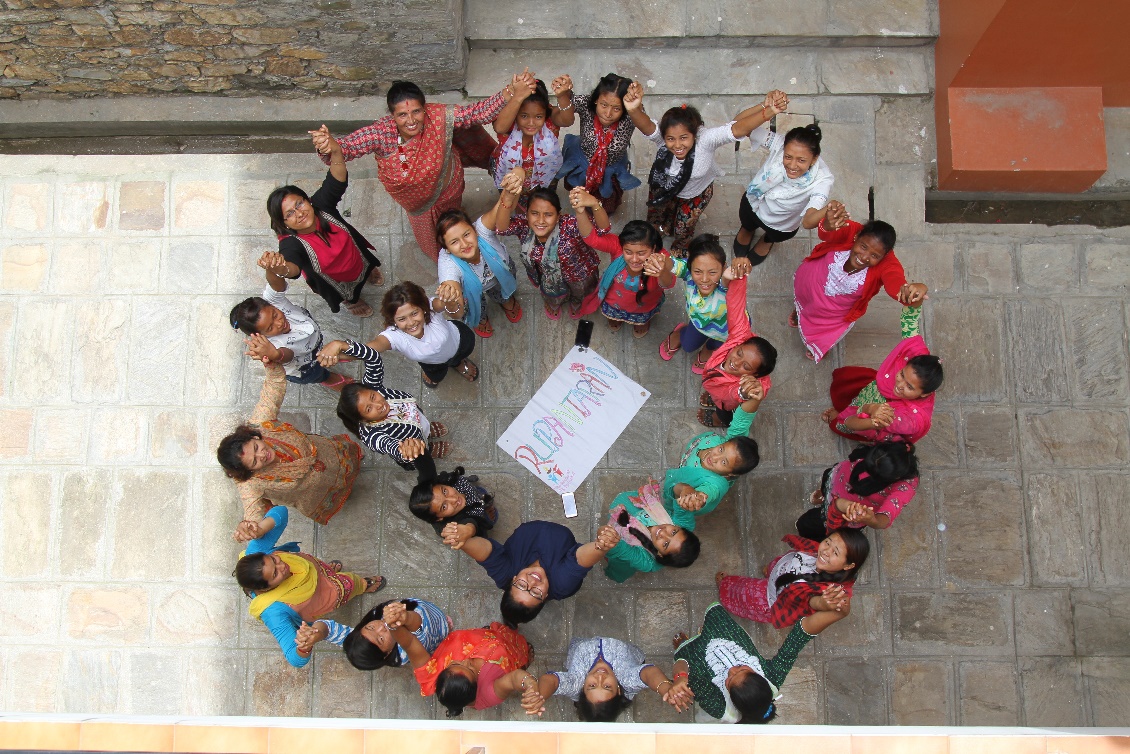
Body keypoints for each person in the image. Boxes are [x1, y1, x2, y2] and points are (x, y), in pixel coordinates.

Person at [321, 76, 534, 262]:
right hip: (418, 205)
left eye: (416, 112)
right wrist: (327, 145)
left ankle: (461, 237)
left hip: (449, 187)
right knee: (431, 237)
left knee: (454, 214)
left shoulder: (439, 116)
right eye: (402, 115)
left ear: (425, 109)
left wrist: (510, 92)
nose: (411, 120)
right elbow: (346, 148)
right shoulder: (381, 133)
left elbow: (477, 113)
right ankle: (445, 257)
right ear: (392, 116)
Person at [623, 84, 789, 257]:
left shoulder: (707, 139)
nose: (677, 145)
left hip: (695, 194)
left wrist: (770, 111)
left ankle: (680, 246)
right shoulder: (662, 139)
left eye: (684, 138)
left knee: (684, 225)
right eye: (671, 139)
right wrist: (633, 109)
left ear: (695, 135)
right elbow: (646, 125)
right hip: (664, 189)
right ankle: (659, 230)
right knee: (657, 216)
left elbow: (738, 128)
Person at [216, 361, 362, 531]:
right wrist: (251, 528)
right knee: (342, 494)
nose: (262, 455)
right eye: (255, 462)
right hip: (317, 494)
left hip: (329, 453)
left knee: (347, 459)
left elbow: (273, 386)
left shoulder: (261, 424)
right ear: (249, 472)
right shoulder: (250, 483)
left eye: (256, 447)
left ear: (252, 436)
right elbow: (253, 515)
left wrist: (270, 360)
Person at [233, 506, 385, 668]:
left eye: (274, 560)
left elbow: (281, 512)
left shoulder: (255, 553)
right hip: (329, 596)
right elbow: (295, 658)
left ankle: (329, 572)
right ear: (265, 589)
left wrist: (260, 530)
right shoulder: (273, 611)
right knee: (350, 583)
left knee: (323, 571)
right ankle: (361, 585)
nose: (283, 566)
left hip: (315, 568)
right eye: (275, 575)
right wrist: (305, 645)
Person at [264, 125, 382, 317]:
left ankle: (367, 272)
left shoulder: (321, 206)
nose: (299, 213)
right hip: (334, 279)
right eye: (289, 214)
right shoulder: (292, 244)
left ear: (308, 200)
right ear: (285, 224)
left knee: (365, 265)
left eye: (299, 204)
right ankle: (352, 301)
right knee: (344, 294)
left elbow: (336, 178)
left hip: (354, 256)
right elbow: (292, 268)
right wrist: (280, 268)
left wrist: (334, 149)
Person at [791, 201, 929, 362]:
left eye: (874, 256)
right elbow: (826, 233)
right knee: (803, 301)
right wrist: (828, 223)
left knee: (823, 334)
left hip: (834, 311)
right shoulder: (852, 230)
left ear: (884, 257)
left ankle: (818, 346)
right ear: (857, 237)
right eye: (863, 247)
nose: (864, 257)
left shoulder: (888, 264)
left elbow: (896, 287)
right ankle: (798, 314)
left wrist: (914, 290)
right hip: (810, 283)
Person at [672, 603, 842, 723]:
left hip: (698, 661)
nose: (731, 669)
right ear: (760, 676)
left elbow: (688, 671)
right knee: (710, 633)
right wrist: (837, 614)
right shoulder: (772, 676)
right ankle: (704, 635)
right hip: (726, 642)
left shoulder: (718, 706)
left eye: (729, 681)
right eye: (742, 668)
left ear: (730, 698)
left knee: (690, 652)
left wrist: (680, 677)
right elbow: (798, 637)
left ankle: (687, 643)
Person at [442, 520, 620, 626]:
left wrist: (462, 540)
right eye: (536, 592)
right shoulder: (562, 583)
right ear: (546, 597)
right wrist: (601, 545)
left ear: (512, 580)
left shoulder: (504, 574)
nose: (533, 582)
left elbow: (485, 554)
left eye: (521, 585)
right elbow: (581, 560)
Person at [316, 338, 449, 476]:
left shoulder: (374, 387)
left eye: (373, 397)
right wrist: (407, 449)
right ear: (363, 419)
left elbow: (372, 357)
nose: (379, 405)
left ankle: (426, 430)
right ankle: (428, 447)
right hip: (411, 446)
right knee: (420, 450)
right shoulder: (373, 436)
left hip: (416, 420)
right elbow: (391, 446)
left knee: (423, 426)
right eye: (369, 409)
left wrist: (340, 345)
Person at [822, 303, 942, 444]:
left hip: (867, 417)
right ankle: (847, 409)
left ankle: (840, 416)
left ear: (924, 394)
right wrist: (915, 298)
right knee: (853, 397)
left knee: (847, 419)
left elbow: (852, 423)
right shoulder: (918, 360)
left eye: (909, 387)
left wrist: (870, 414)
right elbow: (910, 321)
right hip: (874, 394)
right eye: (902, 374)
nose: (899, 385)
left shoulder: (906, 420)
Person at [230, 262, 352, 392]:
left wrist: (271, 267)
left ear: (272, 305)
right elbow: (286, 355)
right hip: (305, 367)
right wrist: (275, 354)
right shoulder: (272, 345)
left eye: (275, 315)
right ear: (261, 335)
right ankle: (327, 378)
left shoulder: (274, 301)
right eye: (270, 328)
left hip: (313, 342)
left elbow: (276, 282)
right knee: (317, 374)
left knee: (322, 351)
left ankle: (328, 356)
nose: (279, 323)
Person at [432, 169, 524, 338]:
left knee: (502, 291)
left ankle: (506, 300)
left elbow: (505, 199)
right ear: (446, 249)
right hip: (470, 291)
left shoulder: (483, 230)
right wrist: (451, 304)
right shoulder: (447, 264)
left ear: (474, 230)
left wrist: (516, 178)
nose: (464, 244)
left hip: (499, 275)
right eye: (454, 242)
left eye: (466, 234)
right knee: (473, 306)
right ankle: (480, 318)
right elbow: (457, 312)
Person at [571, 187, 675, 337]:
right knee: (614, 317)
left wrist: (662, 270)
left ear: (653, 249)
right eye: (628, 252)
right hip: (614, 301)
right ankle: (617, 318)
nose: (634, 259)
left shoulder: (660, 258)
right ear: (622, 247)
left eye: (641, 253)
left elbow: (668, 283)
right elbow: (591, 238)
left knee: (642, 319)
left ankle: (641, 321)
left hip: (644, 306)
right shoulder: (617, 247)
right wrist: (581, 211)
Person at [715, 528, 869, 630]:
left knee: (741, 592)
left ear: (849, 565)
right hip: (781, 574)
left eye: (835, 553)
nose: (825, 551)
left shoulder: (826, 592)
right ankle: (769, 572)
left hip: (768, 597)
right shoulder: (821, 560)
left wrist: (821, 603)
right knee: (773, 568)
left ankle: (725, 588)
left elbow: (811, 601)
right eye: (828, 542)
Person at [494, 181, 601, 321]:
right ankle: (555, 303)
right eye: (534, 213)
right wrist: (507, 198)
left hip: (580, 274)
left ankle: (576, 303)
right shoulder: (524, 227)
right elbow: (501, 228)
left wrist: (594, 204)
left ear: (558, 216)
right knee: (552, 296)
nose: (541, 220)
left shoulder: (570, 225)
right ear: (526, 215)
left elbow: (602, 229)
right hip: (548, 276)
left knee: (580, 293)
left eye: (548, 214)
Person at [732, 121, 834, 264]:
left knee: (774, 235)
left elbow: (809, 220)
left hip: (781, 223)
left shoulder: (823, 179)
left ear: (814, 159)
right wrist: (766, 109)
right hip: (754, 202)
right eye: (788, 157)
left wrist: (828, 210)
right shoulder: (778, 143)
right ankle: (747, 229)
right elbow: (739, 126)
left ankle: (767, 240)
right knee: (747, 221)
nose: (792, 166)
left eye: (801, 160)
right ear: (784, 149)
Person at [520, 637, 693, 721]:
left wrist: (539, 694)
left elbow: (552, 681)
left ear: (582, 688)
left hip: (583, 643)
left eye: (592, 685)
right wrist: (666, 689)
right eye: (608, 687)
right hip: (623, 646)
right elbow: (649, 674)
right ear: (619, 690)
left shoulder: (575, 682)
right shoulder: (626, 679)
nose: (600, 677)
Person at [663, 378, 764, 520]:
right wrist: (755, 397)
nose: (714, 457)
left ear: (729, 475)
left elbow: (707, 493)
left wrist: (695, 496)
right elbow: (742, 420)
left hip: (687, 488)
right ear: (725, 443)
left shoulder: (715, 484)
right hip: (688, 469)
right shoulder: (730, 442)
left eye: (724, 463)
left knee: (671, 504)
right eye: (721, 450)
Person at [654, 234, 754, 373]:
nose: (705, 279)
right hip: (699, 324)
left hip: (727, 332)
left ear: (724, 267)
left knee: (715, 345)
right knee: (688, 346)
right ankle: (680, 332)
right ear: (690, 267)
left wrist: (742, 263)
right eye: (697, 272)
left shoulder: (726, 285)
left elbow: (733, 275)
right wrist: (661, 260)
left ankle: (707, 350)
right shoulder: (687, 273)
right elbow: (672, 264)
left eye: (713, 272)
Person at [399, 617, 534, 717]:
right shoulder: (489, 692)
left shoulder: (432, 674)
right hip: (510, 650)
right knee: (519, 653)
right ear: (478, 685)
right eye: (471, 669)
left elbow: (410, 643)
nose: (466, 661)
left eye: (455, 664)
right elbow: (515, 678)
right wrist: (530, 684)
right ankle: (522, 654)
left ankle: (488, 633)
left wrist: (394, 625)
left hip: (485, 639)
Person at [362, 281, 479, 388]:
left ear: (423, 308)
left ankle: (458, 363)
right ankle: (451, 366)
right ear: (393, 321)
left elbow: (443, 304)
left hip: (460, 341)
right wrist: (347, 350)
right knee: (436, 374)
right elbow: (374, 346)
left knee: (458, 357)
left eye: (414, 313)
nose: (411, 322)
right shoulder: (394, 335)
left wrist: (449, 300)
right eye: (402, 319)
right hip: (432, 363)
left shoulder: (430, 306)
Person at [699, 269, 777, 428]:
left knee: (725, 411)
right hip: (715, 385)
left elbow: (732, 394)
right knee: (716, 394)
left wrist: (742, 394)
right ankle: (713, 395)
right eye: (739, 353)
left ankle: (721, 419)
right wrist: (740, 275)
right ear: (740, 345)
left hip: (727, 402)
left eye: (745, 366)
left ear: (754, 375)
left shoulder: (746, 387)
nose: (735, 361)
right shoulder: (739, 337)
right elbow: (736, 304)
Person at [555, 72, 642, 214]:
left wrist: (635, 104)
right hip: (582, 161)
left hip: (611, 167)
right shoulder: (586, 104)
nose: (608, 113)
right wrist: (563, 94)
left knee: (604, 206)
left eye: (616, 108)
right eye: (604, 105)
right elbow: (565, 114)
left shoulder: (630, 115)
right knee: (578, 195)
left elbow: (646, 126)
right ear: (596, 100)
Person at [795, 443, 920, 541]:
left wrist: (871, 520)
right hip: (837, 478)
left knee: (808, 524)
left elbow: (884, 519)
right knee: (827, 477)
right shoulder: (892, 446)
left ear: (895, 478)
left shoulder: (904, 487)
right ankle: (824, 495)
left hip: (844, 511)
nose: (865, 473)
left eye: (873, 474)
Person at [603, 478, 701, 583]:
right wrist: (686, 491)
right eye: (673, 532)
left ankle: (613, 574)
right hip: (630, 509)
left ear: (659, 554)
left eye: (666, 544)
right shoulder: (684, 523)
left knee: (620, 567)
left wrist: (608, 539)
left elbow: (618, 548)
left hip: (622, 551)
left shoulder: (646, 561)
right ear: (679, 527)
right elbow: (678, 490)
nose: (663, 533)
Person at [491, 76, 571, 202]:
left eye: (538, 116)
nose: (531, 123)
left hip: (545, 179)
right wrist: (517, 96)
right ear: (515, 112)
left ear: (546, 113)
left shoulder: (550, 123)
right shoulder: (508, 123)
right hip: (511, 177)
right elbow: (500, 128)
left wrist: (562, 96)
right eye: (524, 116)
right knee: (515, 206)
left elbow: (567, 120)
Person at [330, 598, 453, 672]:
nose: (380, 628)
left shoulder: (362, 635)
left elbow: (332, 630)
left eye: (370, 627)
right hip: (435, 627)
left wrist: (316, 632)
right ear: (387, 653)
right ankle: (448, 627)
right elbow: (420, 630)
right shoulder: (404, 652)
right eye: (381, 639)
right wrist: (407, 618)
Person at [408, 466, 498, 539]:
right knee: (481, 518)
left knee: (471, 489)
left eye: (444, 491)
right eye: (444, 507)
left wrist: (415, 447)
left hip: (466, 490)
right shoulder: (453, 524)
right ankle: (483, 505)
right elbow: (478, 534)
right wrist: (469, 530)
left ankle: (475, 492)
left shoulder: (451, 481)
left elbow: (425, 464)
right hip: (474, 514)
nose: (454, 499)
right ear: (439, 518)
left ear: (440, 484)